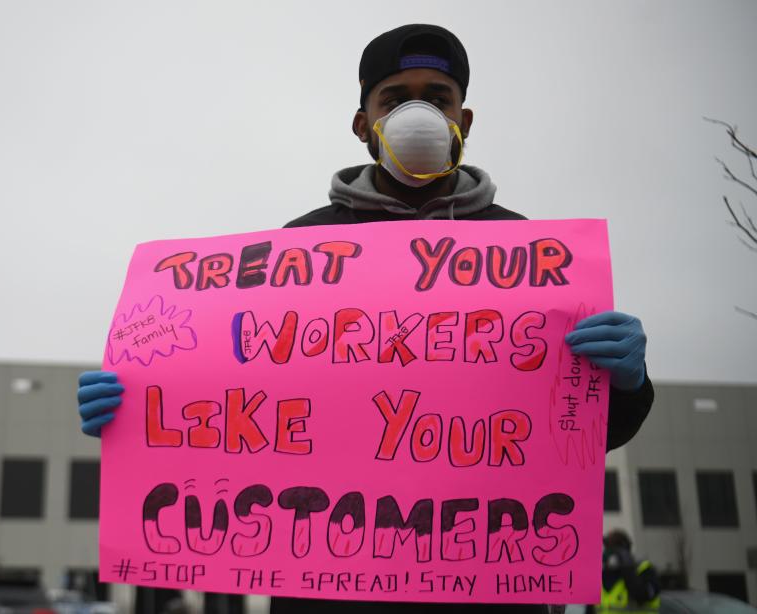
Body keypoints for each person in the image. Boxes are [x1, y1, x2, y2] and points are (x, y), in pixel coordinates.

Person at [77, 24, 655, 614]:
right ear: (363, 125)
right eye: (395, 98)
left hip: (485, 592)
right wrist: (139, 415)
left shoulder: (530, 253)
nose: (419, 112)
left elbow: (576, 436)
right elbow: (241, 412)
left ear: (466, 119)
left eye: (437, 97)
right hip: (328, 597)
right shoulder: (297, 250)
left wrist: (627, 385)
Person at [593, 530, 661, 613]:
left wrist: (627, 567)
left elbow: (642, 595)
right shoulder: (601, 577)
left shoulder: (644, 570)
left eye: (611, 549)